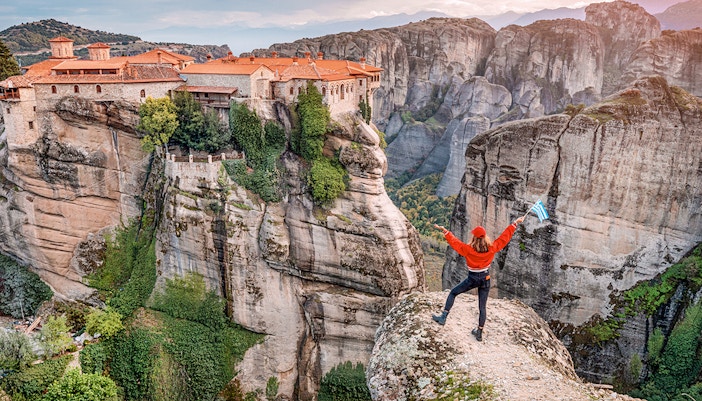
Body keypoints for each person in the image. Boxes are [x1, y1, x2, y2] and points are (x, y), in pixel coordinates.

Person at [432, 216, 525, 341]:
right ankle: (479, 332)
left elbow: (455, 243)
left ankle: (443, 317)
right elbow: (504, 238)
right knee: (482, 307)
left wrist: (445, 232)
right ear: (485, 237)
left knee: (453, 293)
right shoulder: (492, 248)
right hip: (485, 278)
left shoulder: (468, 250)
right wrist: (515, 224)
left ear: (474, 237)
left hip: (473, 278)